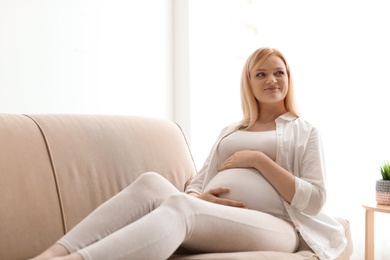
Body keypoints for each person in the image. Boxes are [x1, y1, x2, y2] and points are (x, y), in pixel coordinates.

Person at [31, 47, 347, 260]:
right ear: (248, 83)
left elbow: (316, 198)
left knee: (182, 208)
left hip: (275, 225)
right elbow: (198, 180)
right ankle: (50, 255)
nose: (272, 80)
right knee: (151, 183)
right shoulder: (232, 131)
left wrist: (258, 161)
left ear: (289, 79)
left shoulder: (305, 131)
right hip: (220, 217)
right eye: (261, 74)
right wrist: (199, 196)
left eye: (279, 72)